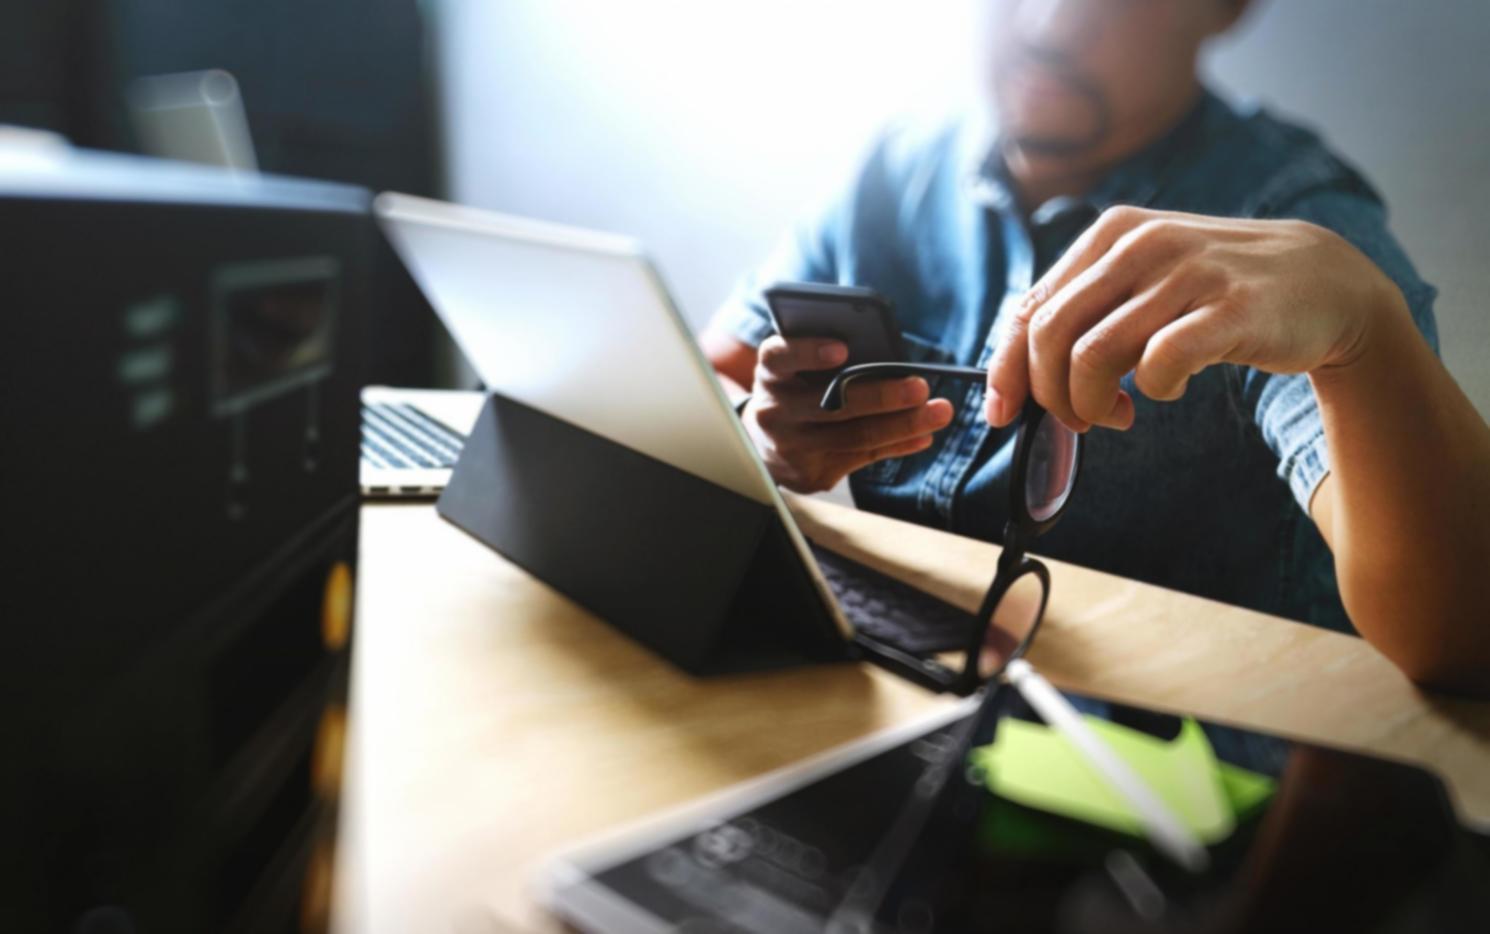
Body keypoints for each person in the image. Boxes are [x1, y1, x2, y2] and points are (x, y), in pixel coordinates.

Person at [701, 0, 1490, 694]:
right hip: (885, 690)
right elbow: (711, 390)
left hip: (1168, 779)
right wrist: (760, 434)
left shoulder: (1288, 221)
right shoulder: (898, 166)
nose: (1050, 22)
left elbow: (1460, 643)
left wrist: (1365, 332)